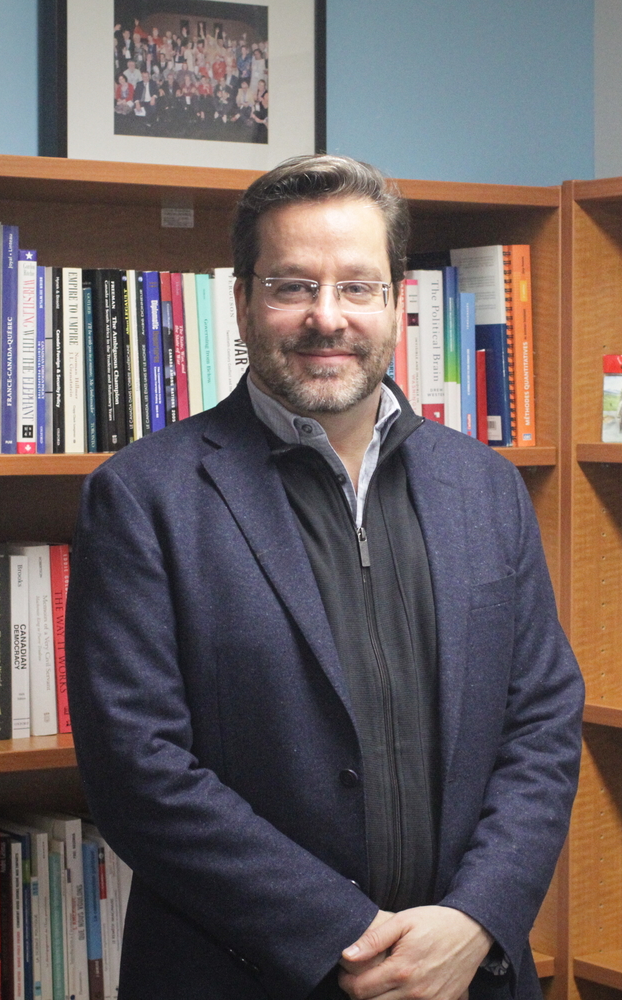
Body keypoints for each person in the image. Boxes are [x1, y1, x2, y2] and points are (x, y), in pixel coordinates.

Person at [65, 155, 583, 1000]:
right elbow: (139, 770)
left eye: (357, 287)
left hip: (470, 976)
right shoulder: (143, 496)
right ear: (242, 302)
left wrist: (478, 918)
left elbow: (543, 722)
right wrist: (350, 940)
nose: (326, 317)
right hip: (244, 977)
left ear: (396, 303)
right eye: (293, 286)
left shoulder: (484, 484)